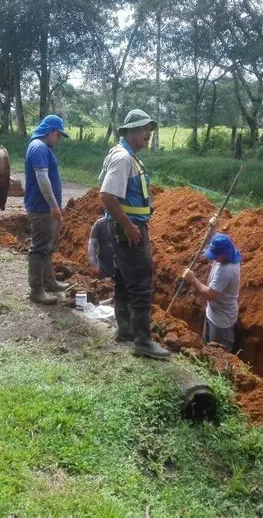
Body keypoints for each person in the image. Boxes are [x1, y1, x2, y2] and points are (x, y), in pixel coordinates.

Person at [99, 109, 171, 360]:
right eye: (143, 130)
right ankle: (143, 341)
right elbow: (107, 197)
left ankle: (125, 329)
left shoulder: (128, 156)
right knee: (140, 283)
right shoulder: (123, 159)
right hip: (127, 228)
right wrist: (129, 226)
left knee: (123, 277)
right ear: (130, 132)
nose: (148, 134)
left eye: (149, 129)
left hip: (125, 226)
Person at [24, 114, 70, 305]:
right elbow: (42, 179)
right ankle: (36, 290)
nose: (58, 139)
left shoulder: (42, 148)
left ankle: (49, 282)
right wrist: (53, 206)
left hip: (47, 208)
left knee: (48, 247)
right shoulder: (39, 148)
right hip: (42, 208)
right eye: (58, 135)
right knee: (39, 248)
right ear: (51, 131)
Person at [182, 233, 242, 353]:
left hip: (221, 323)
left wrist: (193, 279)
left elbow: (210, 295)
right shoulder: (227, 254)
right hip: (212, 313)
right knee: (206, 349)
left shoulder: (226, 270)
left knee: (217, 355)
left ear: (224, 255)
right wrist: (212, 228)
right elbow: (217, 242)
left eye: (215, 256)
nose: (213, 258)